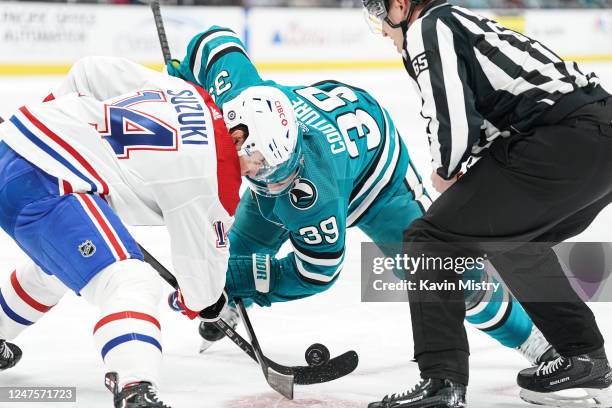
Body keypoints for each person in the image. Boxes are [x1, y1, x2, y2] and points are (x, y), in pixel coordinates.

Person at [167, 26, 556, 366]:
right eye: (260, 166)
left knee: (443, 275)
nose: (269, 179)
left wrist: (238, 281)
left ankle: (535, 342)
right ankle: (236, 295)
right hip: (330, 123)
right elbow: (214, 41)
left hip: (377, 179)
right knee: (235, 253)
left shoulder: (311, 196)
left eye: (276, 169)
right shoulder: (244, 96)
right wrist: (186, 83)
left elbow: (317, 272)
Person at [362, 0, 612, 407]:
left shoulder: (430, 25)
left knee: (428, 238)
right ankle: (583, 357)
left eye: (381, 18)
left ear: (401, 5)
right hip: (596, 142)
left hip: (567, 140)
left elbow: (454, 119)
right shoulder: (461, 19)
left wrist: (445, 169)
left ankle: (443, 383)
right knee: (512, 239)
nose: (385, 32)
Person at [0, 56, 260, 407]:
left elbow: (90, 71)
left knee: (63, 266)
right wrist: (209, 303)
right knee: (129, 280)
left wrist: (50, 121)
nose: (260, 171)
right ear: (241, 136)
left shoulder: (190, 93)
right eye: (262, 159)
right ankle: (134, 388)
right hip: (45, 183)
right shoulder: (217, 182)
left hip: (17, 140)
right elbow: (200, 288)